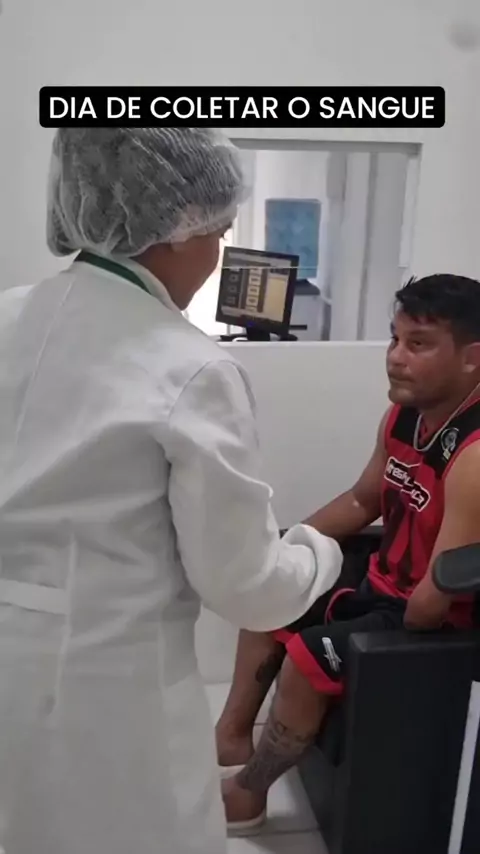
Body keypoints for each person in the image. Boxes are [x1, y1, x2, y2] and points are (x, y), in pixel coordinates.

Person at [0, 127, 343, 854]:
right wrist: (318, 553)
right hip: (110, 688)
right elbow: (247, 588)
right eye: (219, 231)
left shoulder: (9, 315)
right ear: (180, 228)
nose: (218, 251)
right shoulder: (189, 367)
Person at [217, 273, 480, 832]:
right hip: (382, 583)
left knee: (307, 658)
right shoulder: (404, 415)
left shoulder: (476, 456)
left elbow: (435, 597)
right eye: (395, 339)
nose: (395, 357)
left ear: (471, 359)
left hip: (431, 618)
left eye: (418, 344)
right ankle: (230, 738)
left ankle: (249, 794)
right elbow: (364, 500)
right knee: (270, 590)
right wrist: (283, 549)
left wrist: (363, 641)